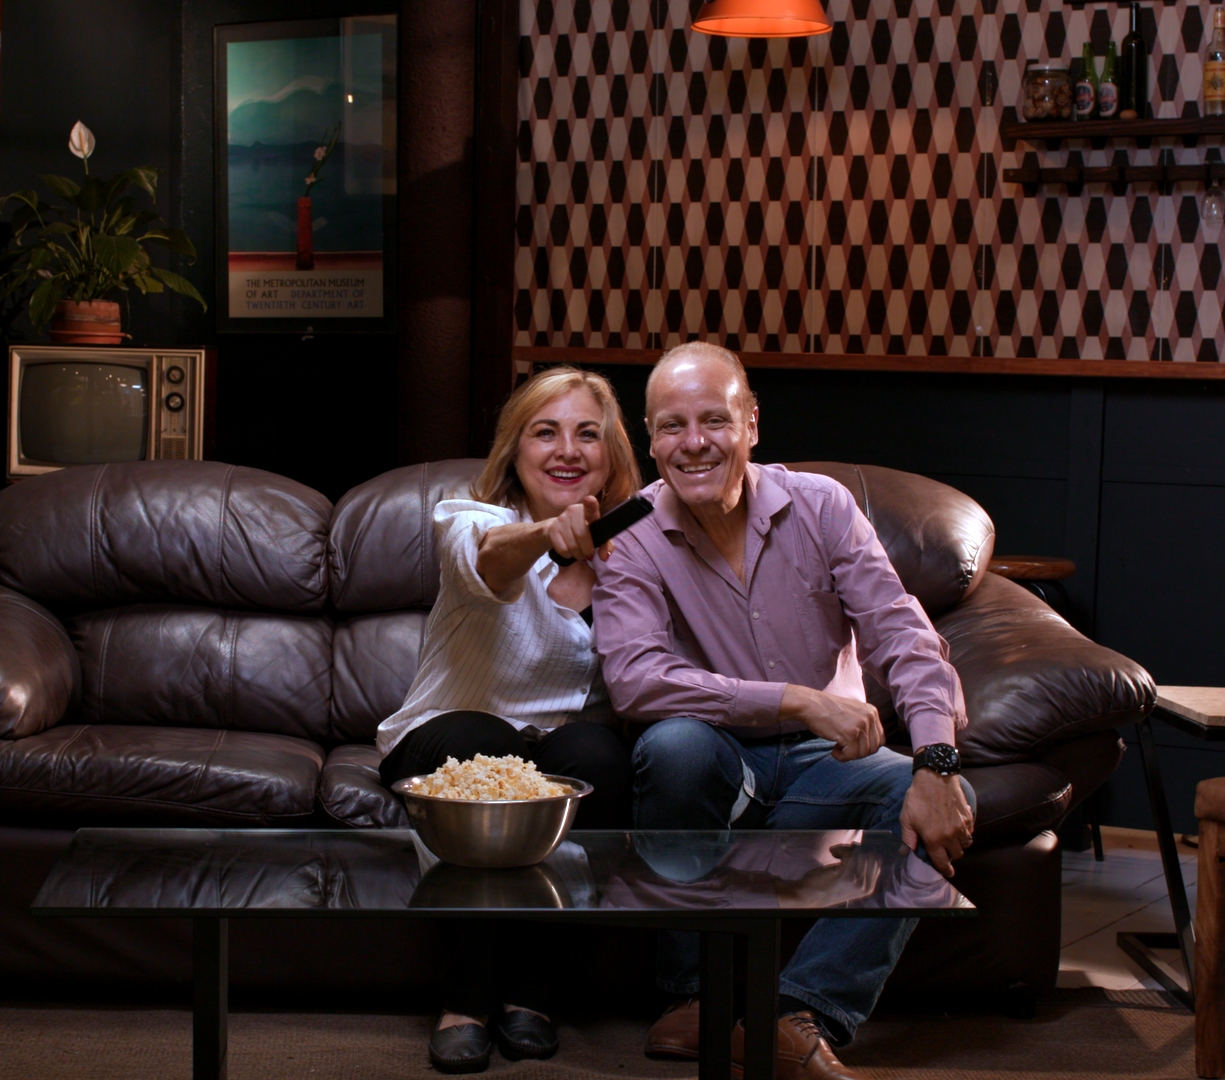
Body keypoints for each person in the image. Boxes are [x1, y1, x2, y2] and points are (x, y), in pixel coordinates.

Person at [592, 342, 977, 1080]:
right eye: (672, 426)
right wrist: (796, 698)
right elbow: (636, 681)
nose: (694, 442)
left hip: (825, 766)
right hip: (716, 759)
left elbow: (902, 633)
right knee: (673, 749)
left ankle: (798, 1013)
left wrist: (936, 757)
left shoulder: (821, 505)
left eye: (715, 420)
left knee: (936, 795)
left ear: (752, 424)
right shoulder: (630, 535)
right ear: (651, 440)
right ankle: (691, 995)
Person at [376, 365, 642, 1073]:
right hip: (444, 735)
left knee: (598, 755)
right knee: (483, 741)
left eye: (588, 434)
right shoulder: (471, 518)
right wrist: (549, 534)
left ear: (612, 453)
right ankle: (465, 996)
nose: (567, 450)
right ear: (515, 450)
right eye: (545, 432)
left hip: (559, 753)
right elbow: (490, 563)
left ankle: (533, 992)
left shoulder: (636, 555)